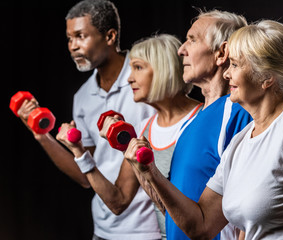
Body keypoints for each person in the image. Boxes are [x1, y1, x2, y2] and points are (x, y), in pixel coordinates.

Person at [124, 20, 283, 239]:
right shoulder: (241, 142)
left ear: (266, 77)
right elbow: (201, 224)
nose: (227, 73)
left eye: (235, 65)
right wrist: (149, 172)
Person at [16, 0, 160, 239]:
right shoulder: (82, 97)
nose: (73, 46)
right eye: (69, 39)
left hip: (146, 229)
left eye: (81, 36)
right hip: (103, 230)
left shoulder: (145, 81)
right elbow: (86, 174)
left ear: (110, 36)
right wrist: (42, 136)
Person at [58, 33, 203, 240]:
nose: (129, 78)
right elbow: (118, 202)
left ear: (163, 69)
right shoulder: (145, 128)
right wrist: (79, 152)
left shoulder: (203, 119)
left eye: (138, 67)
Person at [125, 10, 252, 240]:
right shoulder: (191, 122)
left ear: (221, 53)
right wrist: (142, 169)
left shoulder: (237, 112)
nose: (181, 49)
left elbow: (250, 210)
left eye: (192, 40)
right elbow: (173, 212)